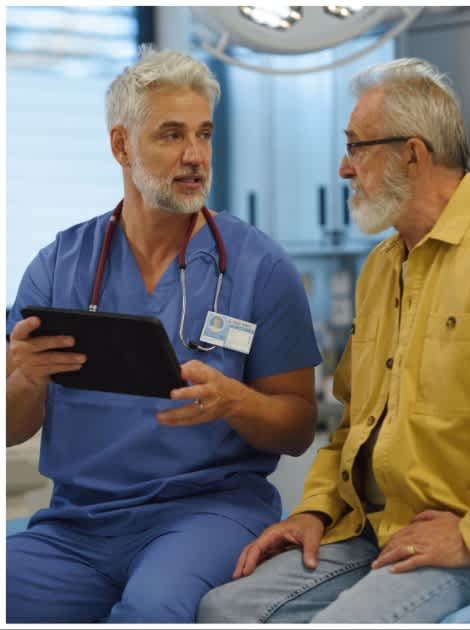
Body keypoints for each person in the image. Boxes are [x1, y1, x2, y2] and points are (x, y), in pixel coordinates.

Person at [197, 58, 470, 624]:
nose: (344, 168)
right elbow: (355, 422)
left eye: (357, 147)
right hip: (381, 527)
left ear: (413, 154)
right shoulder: (382, 267)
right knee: (223, 609)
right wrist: (317, 512)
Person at [5, 48, 322, 623]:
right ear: (121, 146)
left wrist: (235, 402)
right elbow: (12, 426)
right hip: (77, 524)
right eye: (171, 135)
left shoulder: (259, 268)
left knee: (153, 608)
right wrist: (24, 377)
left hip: (205, 514)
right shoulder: (59, 267)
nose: (194, 156)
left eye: (203, 134)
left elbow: (299, 427)